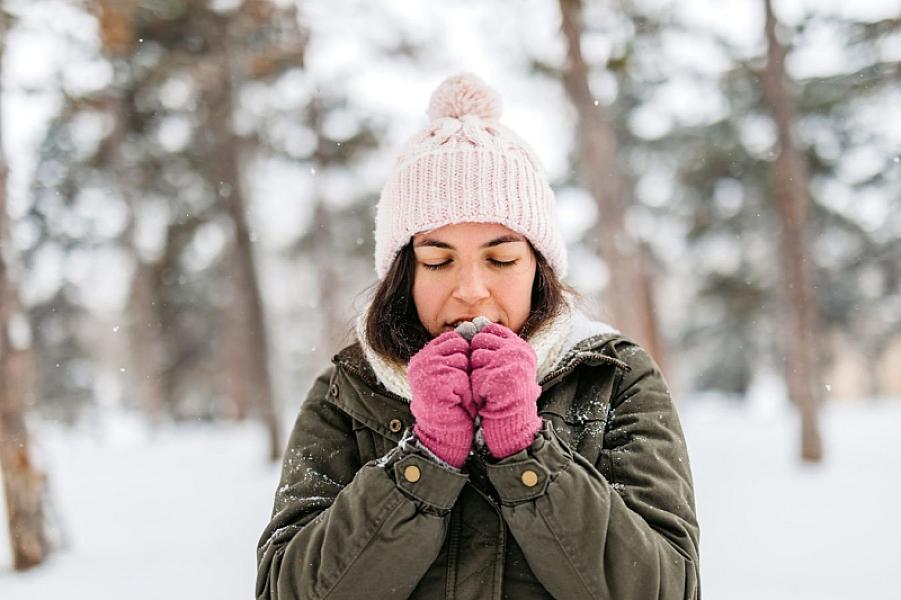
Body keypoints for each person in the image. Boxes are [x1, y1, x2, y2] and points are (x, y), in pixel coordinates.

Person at [256, 72, 700, 600]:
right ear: (406, 274)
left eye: (502, 258)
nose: (471, 290)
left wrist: (527, 454)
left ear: (539, 267)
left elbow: (666, 589)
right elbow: (288, 590)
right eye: (438, 260)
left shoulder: (613, 378)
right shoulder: (348, 390)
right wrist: (424, 462)